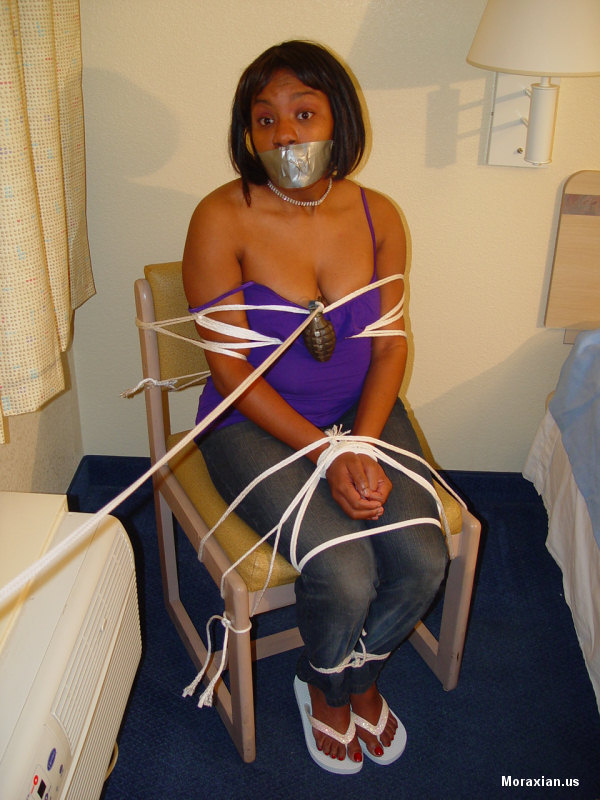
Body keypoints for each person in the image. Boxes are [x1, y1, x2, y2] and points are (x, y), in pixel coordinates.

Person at [182, 40, 447, 773]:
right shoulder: (220, 217)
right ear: (247, 132)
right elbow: (230, 371)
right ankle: (324, 687)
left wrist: (359, 444)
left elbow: (389, 349)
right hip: (251, 421)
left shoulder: (378, 214)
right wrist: (327, 454)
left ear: (340, 119)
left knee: (423, 559)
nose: (284, 135)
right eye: (264, 119)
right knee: (346, 571)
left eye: (303, 113)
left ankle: (353, 673)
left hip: (360, 414)